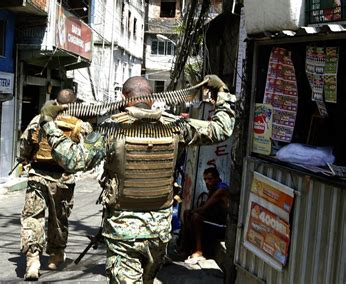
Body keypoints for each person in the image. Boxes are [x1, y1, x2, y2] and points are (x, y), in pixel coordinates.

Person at [38, 74, 236, 283]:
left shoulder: (111, 129)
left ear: (124, 96)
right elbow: (221, 129)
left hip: (123, 234)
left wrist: (48, 122)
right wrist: (222, 92)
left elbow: (73, 160)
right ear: (152, 97)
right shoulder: (176, 126)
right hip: (158, 234)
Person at [19, 88, 92, 280]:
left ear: (55, 102)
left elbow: (25, 143)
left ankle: (33, 260)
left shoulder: (39, 120)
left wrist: (24, 159)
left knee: (33, 218)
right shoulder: (80, 125)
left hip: (38, 177)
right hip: (64, 180)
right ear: (74, 105)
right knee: (59, 219)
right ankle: (55, 256)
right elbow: (87, 154)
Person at [179, 166, 229, 264]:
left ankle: (199, 250)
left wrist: (193, 212)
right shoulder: (213, 188)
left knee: (195, 217)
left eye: (210, 179)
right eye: (205, 179)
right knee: (187, 214)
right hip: (215, 220)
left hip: (222, 225)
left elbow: (204, 209)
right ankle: (185, 248)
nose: (207, 182)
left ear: (217, 178)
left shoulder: (221, 189)